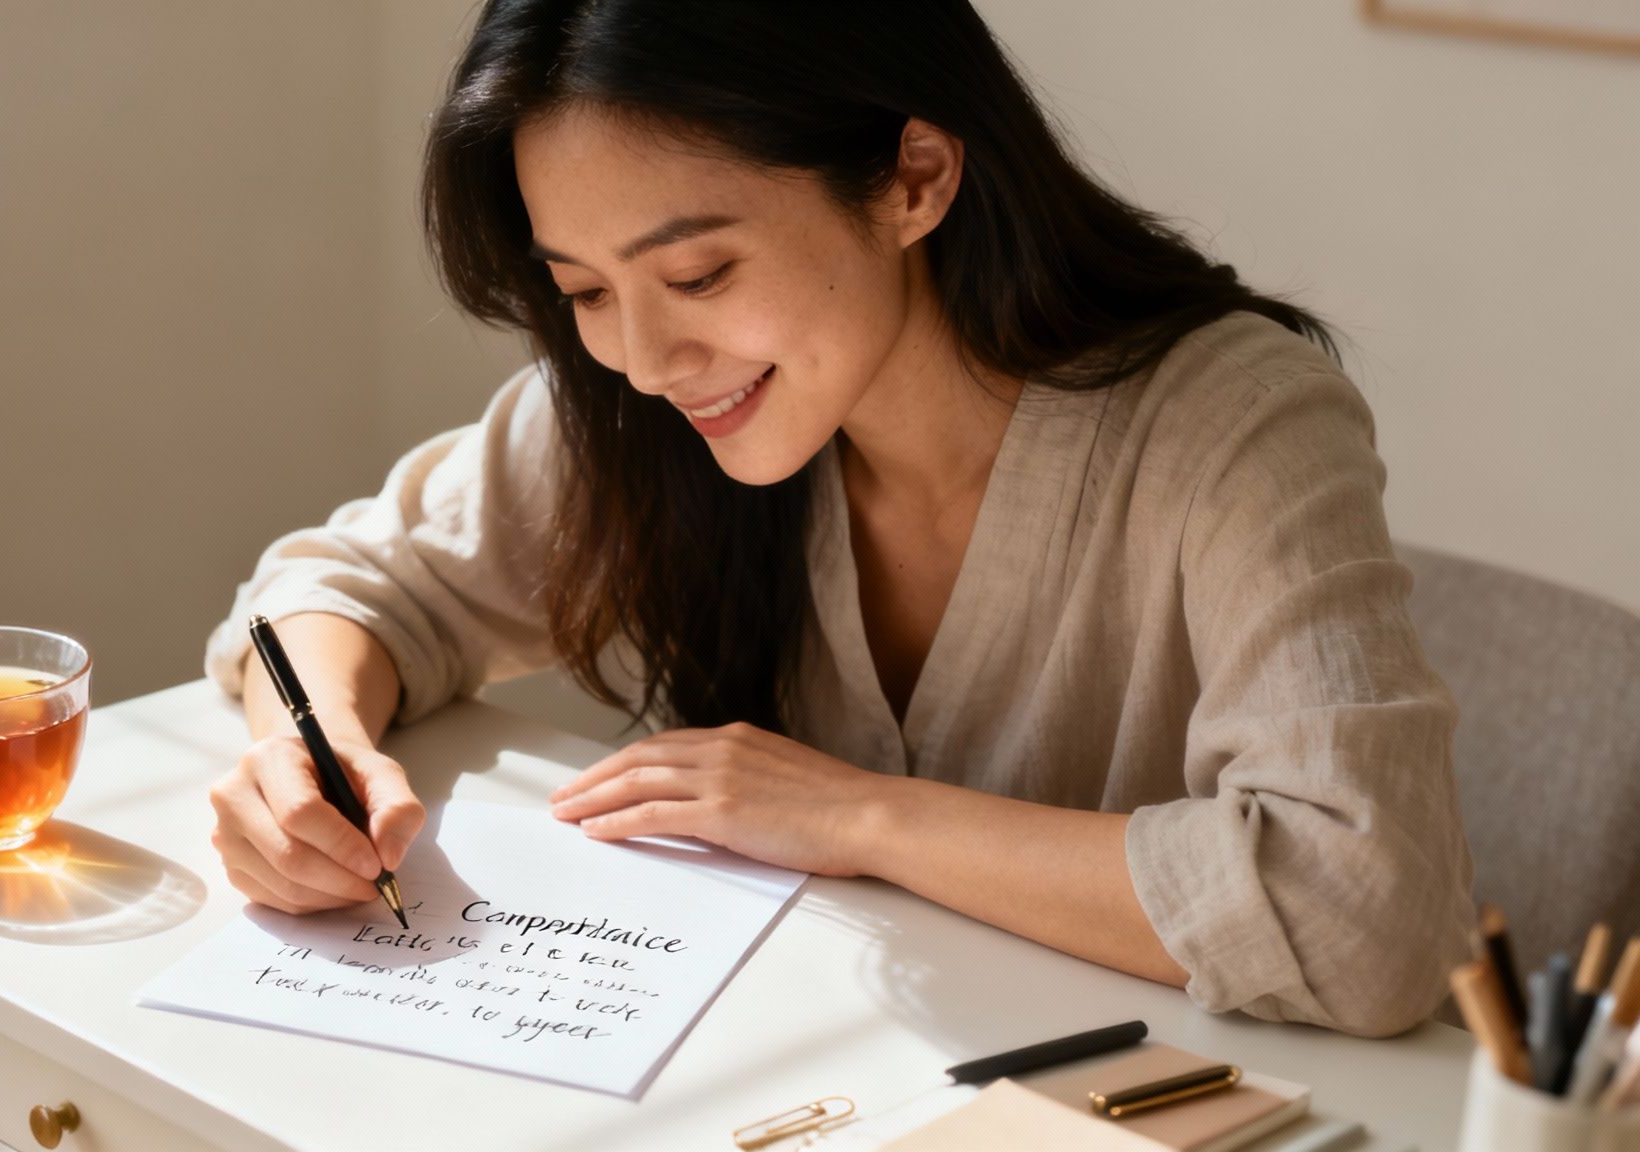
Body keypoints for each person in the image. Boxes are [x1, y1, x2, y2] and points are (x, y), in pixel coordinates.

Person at [205, 0, 1474, 1038]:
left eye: (699, 273)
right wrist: (304, 751)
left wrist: (856, 816)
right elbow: (346, 585)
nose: (643, 357)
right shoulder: (654, 407)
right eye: (584, 290)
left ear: (912, 179)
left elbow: (1360, 917)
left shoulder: (1234, 425)